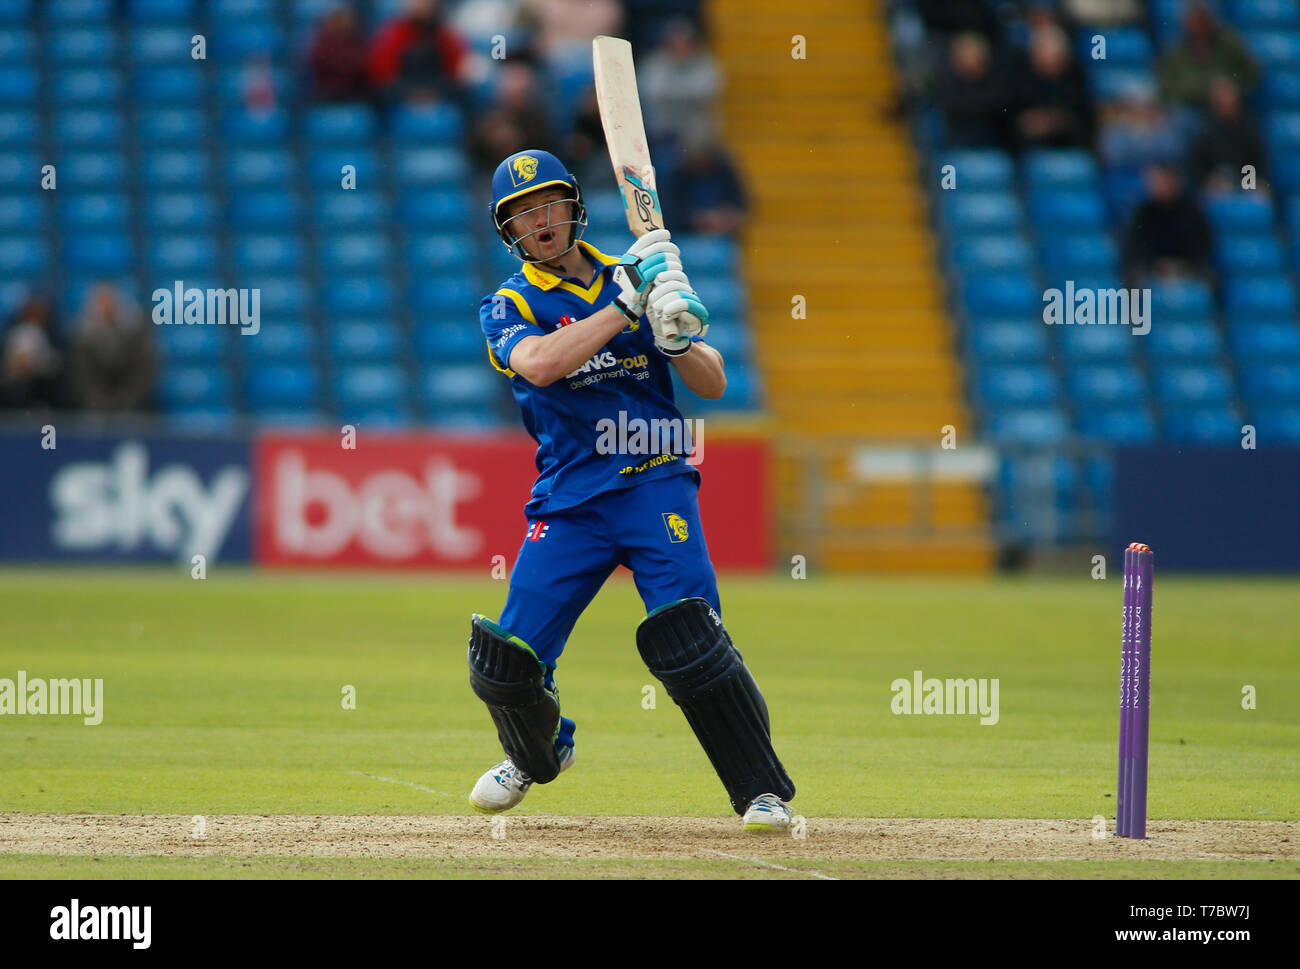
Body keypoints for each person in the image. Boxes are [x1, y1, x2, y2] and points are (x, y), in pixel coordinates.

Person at [466, 149, 795, 831]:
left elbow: (713, 381)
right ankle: (538, 752)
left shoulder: (636, 274)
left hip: (654, 481)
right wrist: (625, 305)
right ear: (510, 231)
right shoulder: (511, 303)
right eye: (523, 213)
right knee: (506, 663)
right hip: (569, 498)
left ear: (573, 207)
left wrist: (678, 339)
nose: (540, 220)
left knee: (694, 641)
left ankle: (761, 791)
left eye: (549, 204)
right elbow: (541, 364)